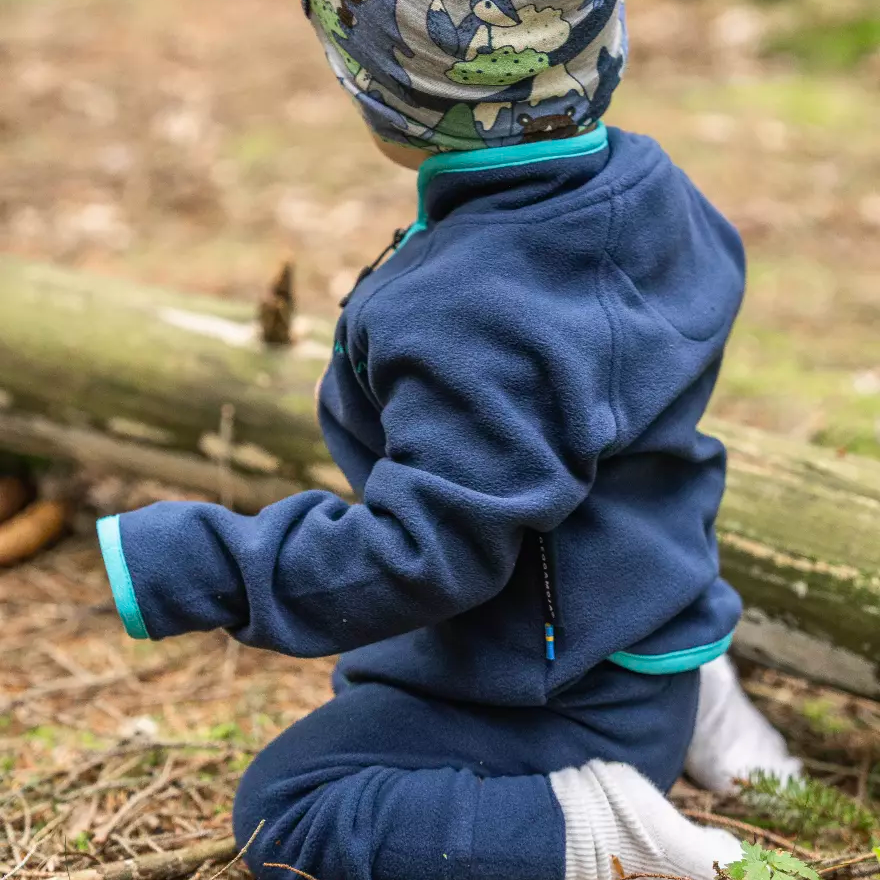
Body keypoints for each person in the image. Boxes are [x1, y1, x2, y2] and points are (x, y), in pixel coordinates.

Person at [95, 1, 800, 877]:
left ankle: (596, 831)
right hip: (633, 627)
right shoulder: (649, 188)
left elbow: (426, 554)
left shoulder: (465, 305)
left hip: (562, 699)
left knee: (288, 808)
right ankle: (696, 695)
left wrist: (196, 562)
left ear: (386, 94)